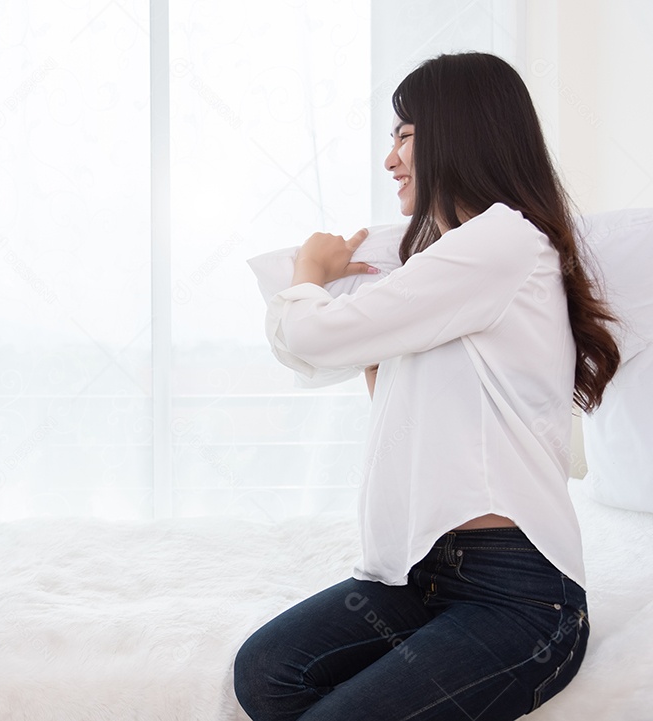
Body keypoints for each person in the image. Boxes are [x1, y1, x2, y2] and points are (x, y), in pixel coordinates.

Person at [233, 53, 619, 721]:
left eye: (404, 135)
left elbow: (311, 338)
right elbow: (404, 412)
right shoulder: (443, 264)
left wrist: (310, 272)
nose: (390, 160)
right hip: (420, 573)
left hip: (518, 593)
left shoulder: (502, 242)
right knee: (267, 672)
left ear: (459, 132)